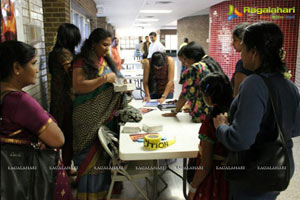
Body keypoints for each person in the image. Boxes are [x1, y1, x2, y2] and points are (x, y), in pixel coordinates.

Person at [213, 22, 300, 200]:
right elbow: (296, 127)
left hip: (256, 168)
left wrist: (221, 128)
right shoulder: (289, 84)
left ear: (253, 52)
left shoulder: (254, 84)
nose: (240, 54)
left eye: (243, 48)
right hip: (282, 163)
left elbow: (240, 139)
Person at [0, 40, 73, 199]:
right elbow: (58, 139)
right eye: (33, 63)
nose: (37, 70)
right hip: (29, 177)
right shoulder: (20, 101)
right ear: (17, 68)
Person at [72, 28, 123, 200]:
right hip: (86, 116)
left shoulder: (105, 60)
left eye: (109, 45)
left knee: (103, 156)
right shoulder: (82, 61)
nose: (107, 49)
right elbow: (78, 86)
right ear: (93, 44)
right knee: (89, 156)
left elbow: (118, 78)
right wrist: (103, 79)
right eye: (104, 45)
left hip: (105, 114)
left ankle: (102, 193)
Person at [188, 72, 232, 200]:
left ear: (208, 97)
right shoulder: (235, 114)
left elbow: (206, 165)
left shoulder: (211, 123)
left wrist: (193, 188)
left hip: (213, 178)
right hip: (230, 177)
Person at [163, 42, 224, 123]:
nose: (185, 63)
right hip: (217, 113)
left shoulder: (195, 68)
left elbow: (184, 94)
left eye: (185, 59)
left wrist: (175, 111)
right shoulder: (211, 62)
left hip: (202, 115)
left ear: (192, 57)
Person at [49, 23, 81, 172]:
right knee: (67, 136)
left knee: (65, 135)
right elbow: (74, 73)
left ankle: (64, 168)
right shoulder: (63, 53)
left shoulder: (57, 52)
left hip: (59, 98)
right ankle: (65, 169)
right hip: (66, 101)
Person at [231, 23, 252, 97]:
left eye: (235, 40)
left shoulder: (243, 64)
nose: (232, 44)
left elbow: (238, 95)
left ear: (244, 41)